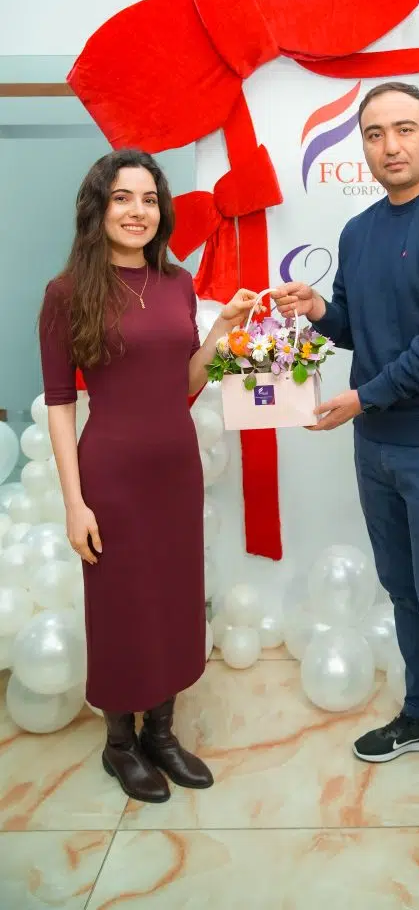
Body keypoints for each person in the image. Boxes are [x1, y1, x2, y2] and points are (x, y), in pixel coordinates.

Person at [273, 81, 419, 838]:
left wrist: (364, 397)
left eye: (405, 129)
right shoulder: (359, 231)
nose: (390, 145)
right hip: (376, 445)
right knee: (404, 591)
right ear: (364, 146)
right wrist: (318, 312)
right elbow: (357, 324)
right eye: (375, 134)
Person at [39, 150, 256, 804]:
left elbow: (182, 382)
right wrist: (74, 502)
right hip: (111, 474)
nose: (138, 211)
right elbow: (60, 404)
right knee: (119, 606)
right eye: (122, 198)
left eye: (150, 199)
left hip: (176, 470)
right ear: (98, 208)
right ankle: (119, 743)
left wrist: (222, 330)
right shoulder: (66, 293)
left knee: (172, 598)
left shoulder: (177, 282)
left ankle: (161, 734)